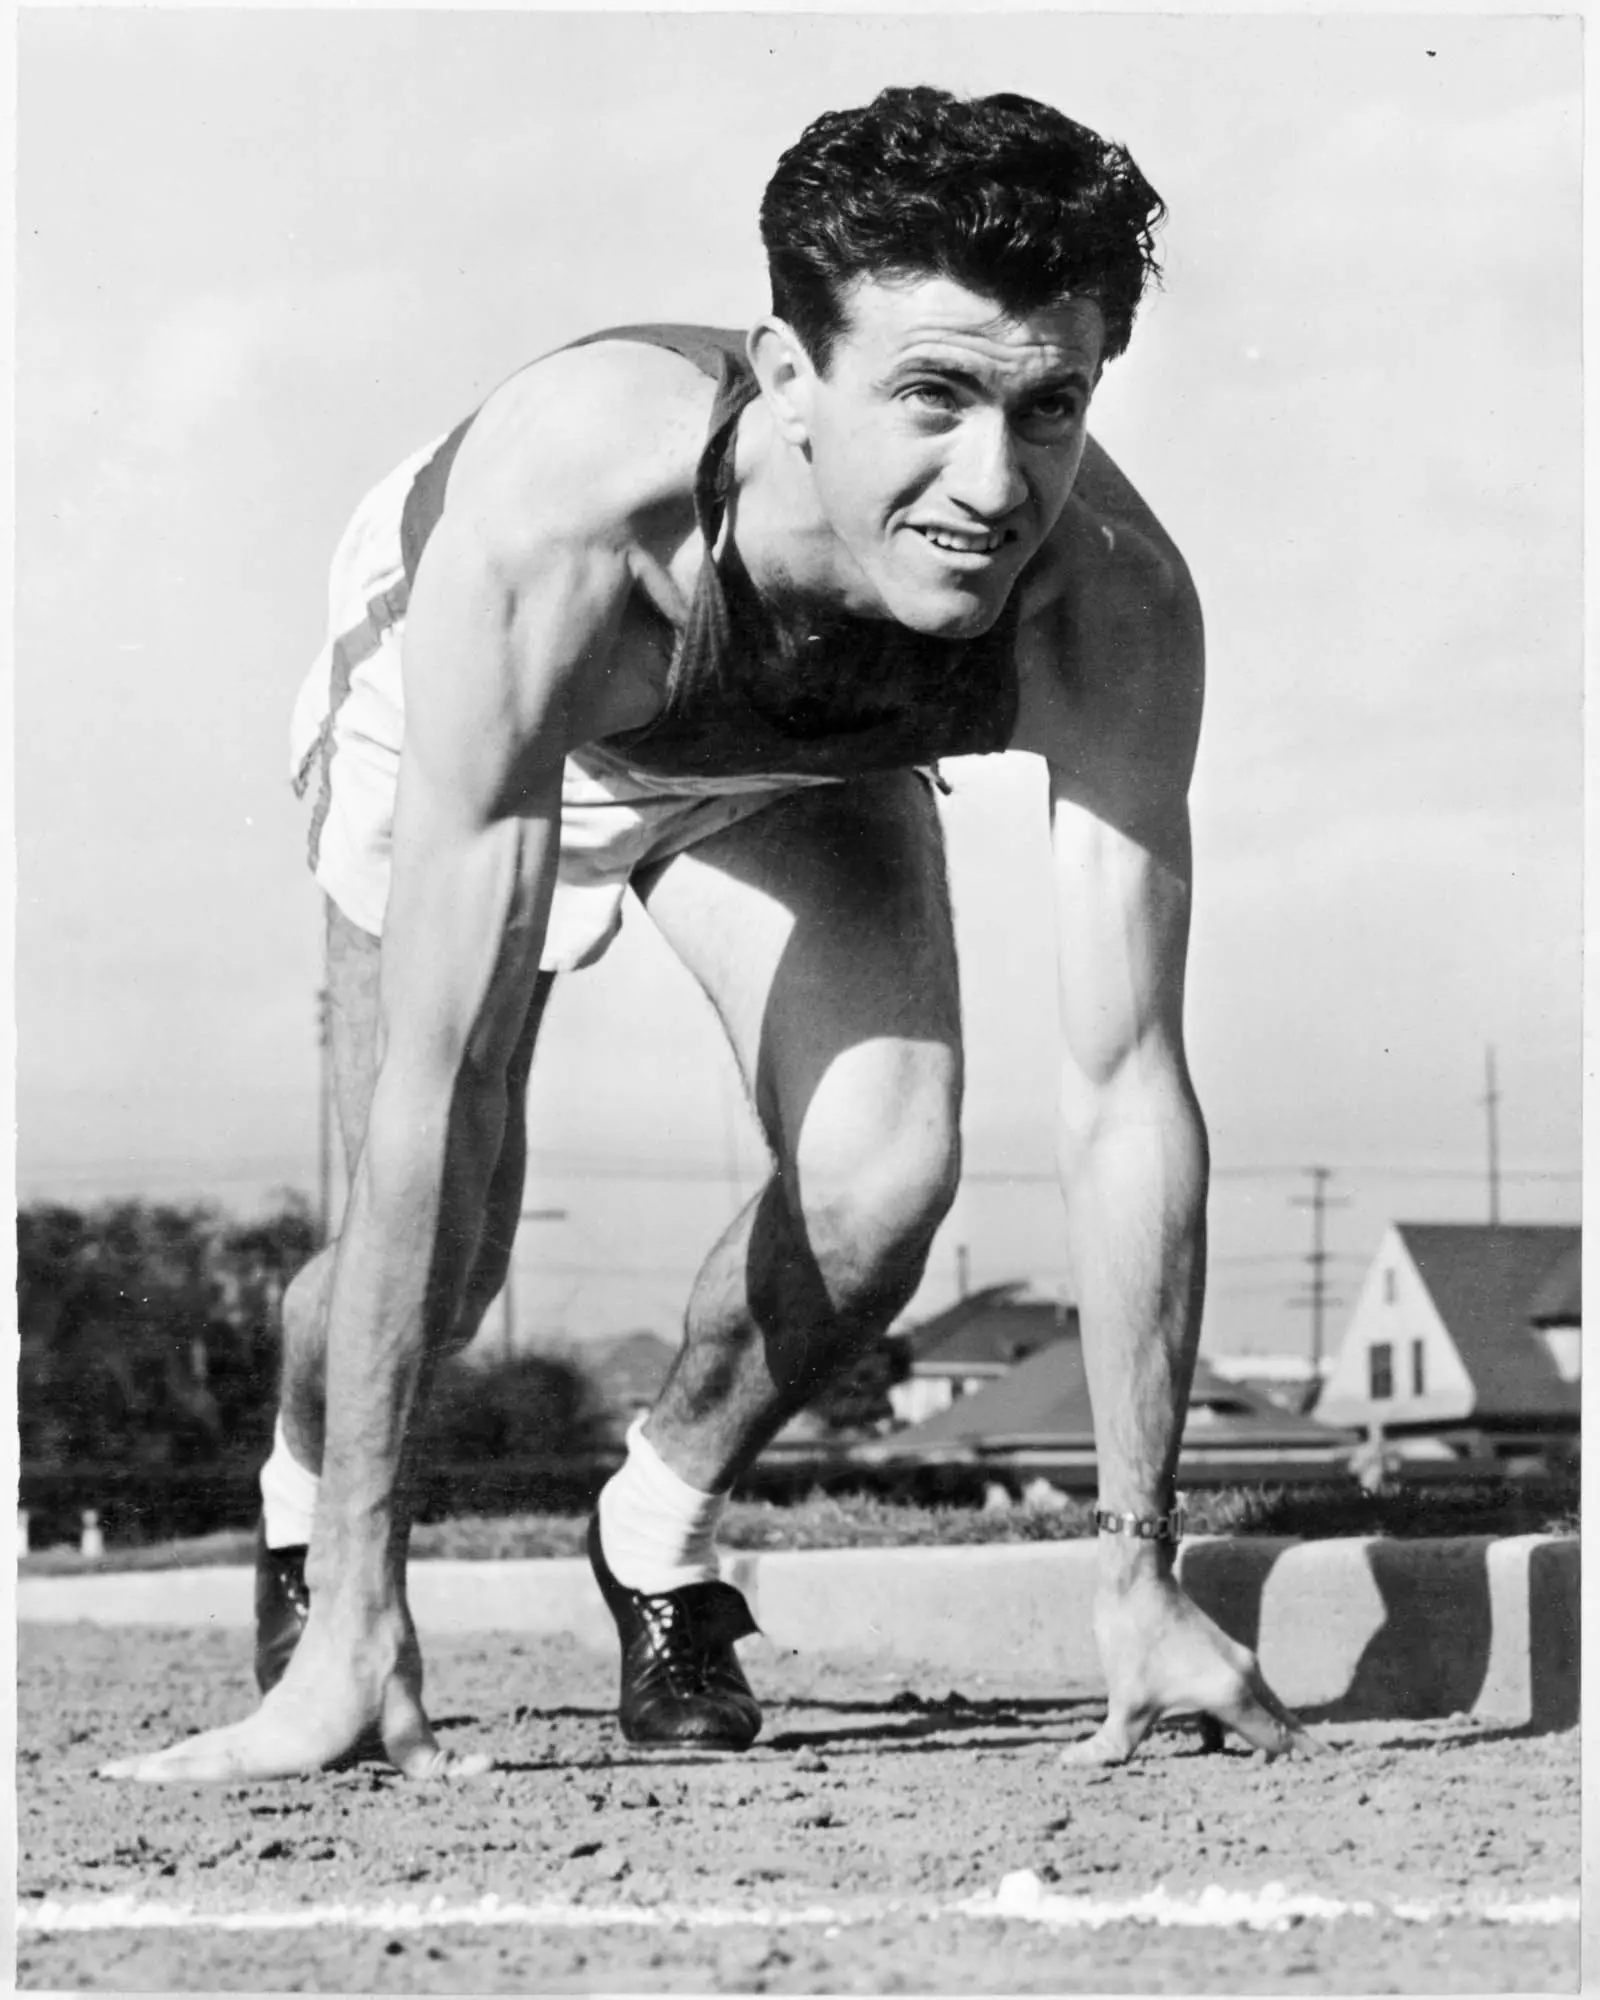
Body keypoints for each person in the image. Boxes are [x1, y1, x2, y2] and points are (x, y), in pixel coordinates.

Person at [105, 85, 1311, 1784]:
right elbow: (426, 1096)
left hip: (797, 740)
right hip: (532, 699)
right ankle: (317, 1517)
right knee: (450, 1245)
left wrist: (1140, 1569)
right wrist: (361, 1616)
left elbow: (1126, 1087)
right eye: (936, 396)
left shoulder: (1109, 596)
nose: (993, 483)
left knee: (886, 1178)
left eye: (1052, 407)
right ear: (788, 374)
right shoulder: (560, 522)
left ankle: (657, 1529)